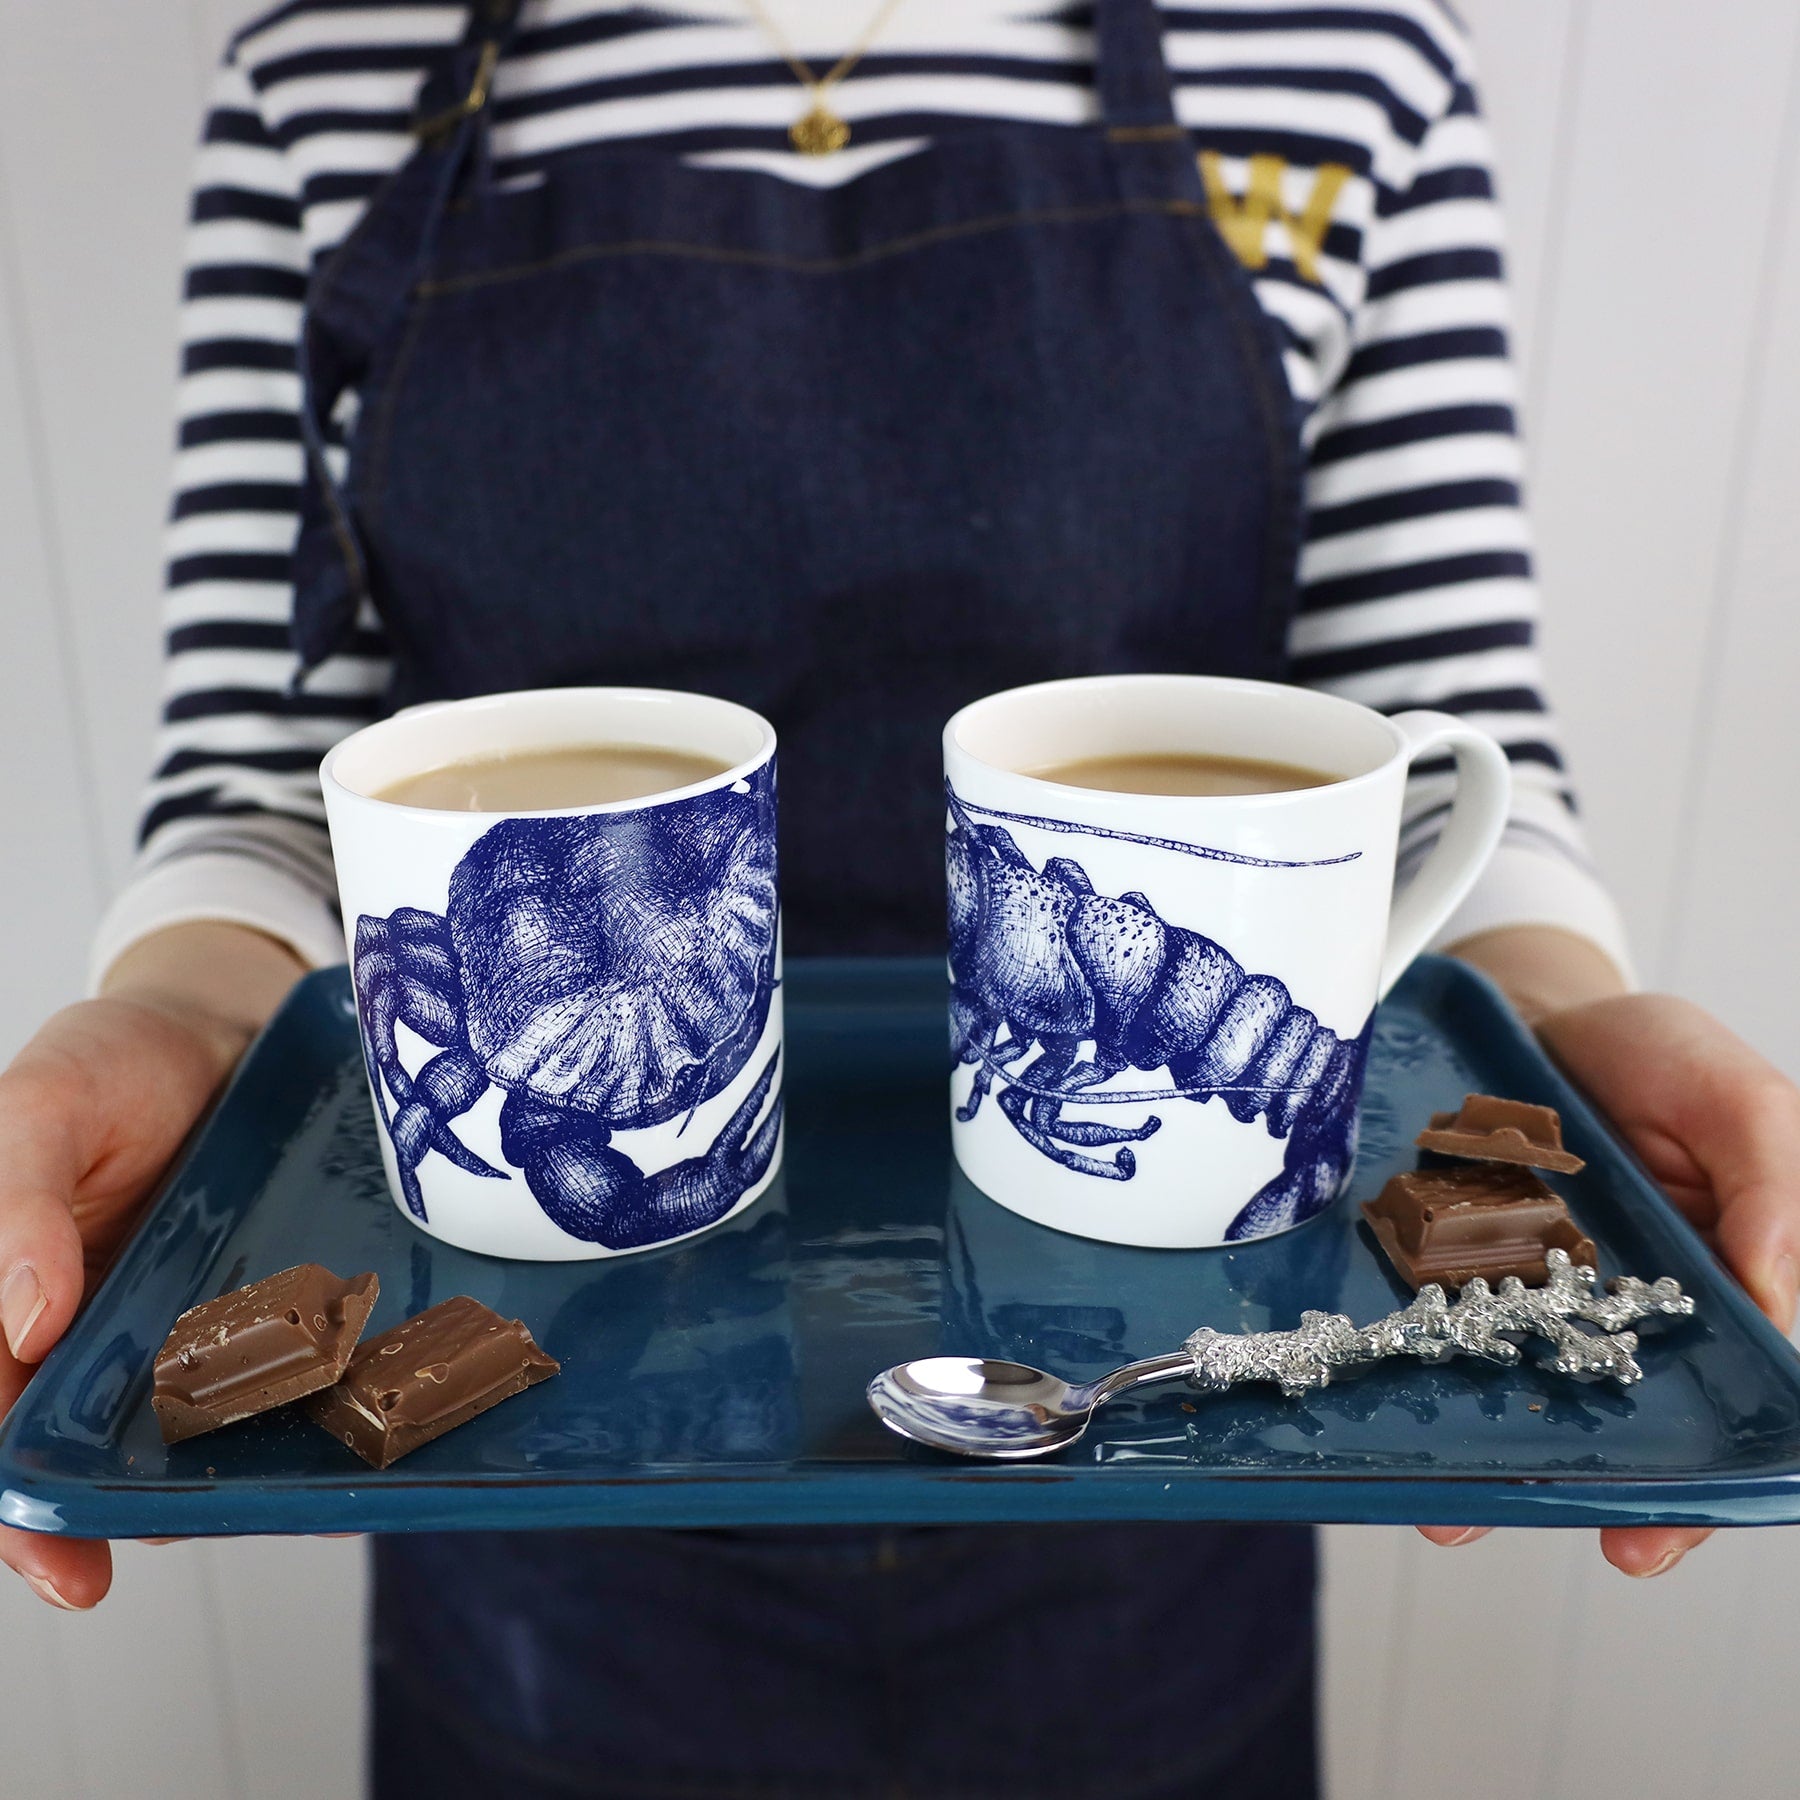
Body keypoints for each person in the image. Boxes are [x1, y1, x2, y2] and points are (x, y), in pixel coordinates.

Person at [1, 1, 1796, 1794]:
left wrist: (1559, 1032)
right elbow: (275, 787)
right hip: (531, 1494)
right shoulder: (325, 75)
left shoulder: (1347, 55)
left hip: (1174, 1446)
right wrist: (167, 1022)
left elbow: (1435, 748)